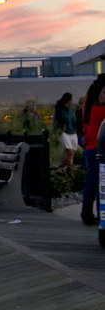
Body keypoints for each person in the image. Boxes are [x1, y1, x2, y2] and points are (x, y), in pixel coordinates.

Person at [80, 76, 105, 225]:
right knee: (101, 185)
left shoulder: (88, 109)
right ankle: (101, 216)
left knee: (92, 183)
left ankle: (87, 213)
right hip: (99, 149)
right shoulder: (101, 110)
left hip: (90, 148)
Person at [53, 92, 79, 168]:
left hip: (73, 132)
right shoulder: (59, 110)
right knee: (69, 151)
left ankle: (64, 167)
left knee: (72, 153)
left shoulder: (71, 110)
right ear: (68, 100)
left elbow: (74, 120)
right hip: (64, 132)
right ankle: (69, 168)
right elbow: (56, 122)